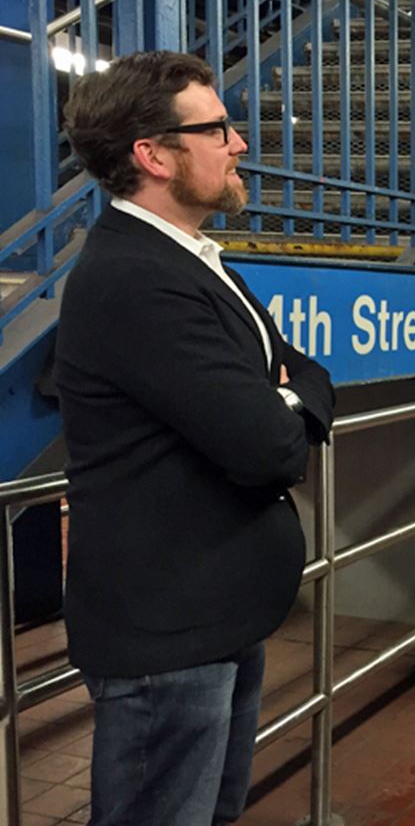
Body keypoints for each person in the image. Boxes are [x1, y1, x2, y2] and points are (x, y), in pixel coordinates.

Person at [56, 51, 335, 825]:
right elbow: (268, 448)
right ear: (153, 154)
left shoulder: (187, 258)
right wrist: (286, 402)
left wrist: (287, 394)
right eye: (216, 129)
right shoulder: (135, 277)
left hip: (210, 624)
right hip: (166, 640)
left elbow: (305, 370)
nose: (239, 144)